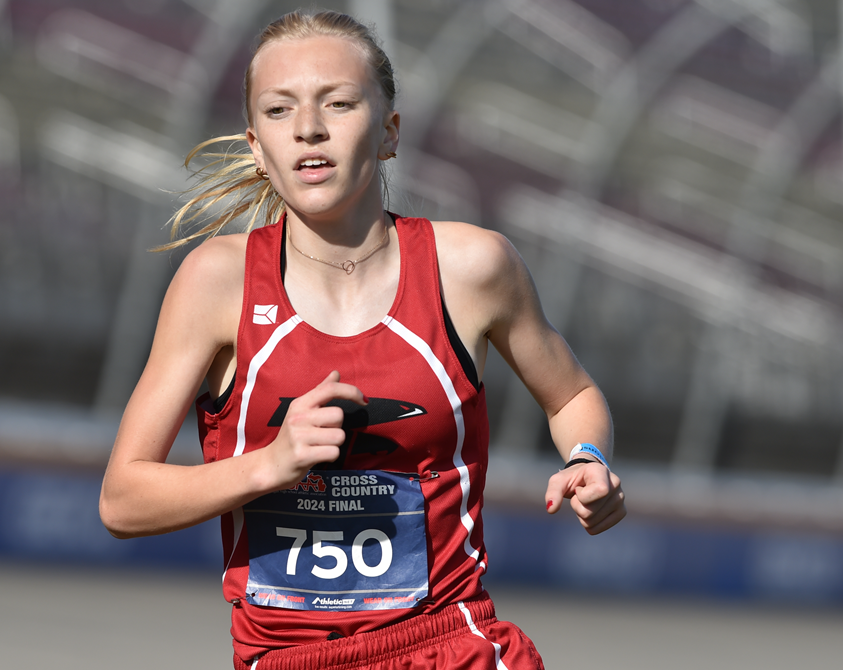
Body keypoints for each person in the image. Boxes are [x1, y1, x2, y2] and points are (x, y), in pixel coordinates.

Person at [99, 9, 626, 670]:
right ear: (258, 148)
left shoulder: (471, 268)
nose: (309, 128)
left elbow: (570, 392)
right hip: (285, 659)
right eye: (279, 110)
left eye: (339, 103)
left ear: (389, 133)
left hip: (449, 646)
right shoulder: (216, 281)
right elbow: (122, 499)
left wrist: (586, 457)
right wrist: (268, 464)